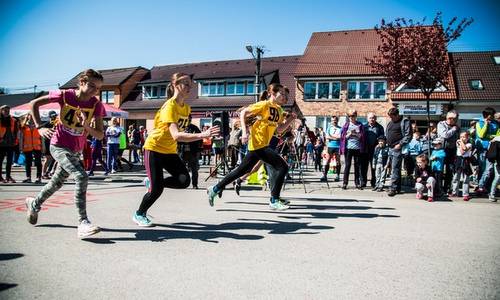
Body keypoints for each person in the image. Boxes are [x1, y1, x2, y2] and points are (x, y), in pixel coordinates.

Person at [26, 69, 106, 238]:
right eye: (92, 86)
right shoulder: (64, 95)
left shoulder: (96, 105)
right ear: (82, 82)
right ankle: (83, 222)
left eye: (98, 88)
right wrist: (40, 127)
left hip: (76, 151)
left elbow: (99, 135)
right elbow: (34, 104)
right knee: (81, 176)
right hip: (59, 146)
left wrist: (86, 126)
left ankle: (34, 204)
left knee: (56, 183)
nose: (94, 91)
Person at [133, 73, 219, 227]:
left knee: (184, 180)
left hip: (169, 151)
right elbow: (176, 135)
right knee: (156, 190)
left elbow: (179, 134)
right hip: (154, 148)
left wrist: (201, 136)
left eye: (190, 85)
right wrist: (202, 135)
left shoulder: (186, 108)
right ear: (175, 85)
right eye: (185, 84)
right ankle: (139, 214)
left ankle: (152, 182)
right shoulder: (169, 106)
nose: (189, 87)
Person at [207, 83, 297, 210]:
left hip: (261, 145)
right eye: (281, 94)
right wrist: (244, 132)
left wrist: (290, 120)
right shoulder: (264, 104)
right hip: (258, 143)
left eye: (284, 94)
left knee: (241, 170)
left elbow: (279, 130)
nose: (284, 97)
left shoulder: (279, 110)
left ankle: (215, 189)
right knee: (282, 167)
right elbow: (243, 113)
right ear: (272, 94)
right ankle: (274, 200)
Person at [385, 107, 412, 197]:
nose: (391, 119)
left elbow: (408, 136)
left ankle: (392, 188)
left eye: (392, 117)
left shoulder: (404, 121)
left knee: (395, 168)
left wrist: (400, 144)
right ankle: (397, 187)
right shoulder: (390, 123)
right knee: (395, 169)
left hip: (398, 148)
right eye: (390, 117)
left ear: (397, 115)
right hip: (390, 148)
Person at [339, 109, 365, 190]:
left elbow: (363, 137)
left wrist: (356, 134)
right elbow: (342, 137)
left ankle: (357, 183)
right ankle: (345, 183)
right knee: (347, 165)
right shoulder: (346, 125)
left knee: (357, 166)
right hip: (348, 148)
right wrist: (349, 134)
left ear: (356, 116)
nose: (351, 117)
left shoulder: (360, 125)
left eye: (353, 116)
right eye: (349, 116)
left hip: (357, 148)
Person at [475, 107, 498, 194]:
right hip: (482, 149)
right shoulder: (479, 123)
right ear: (488, 115)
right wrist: (486, 124)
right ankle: (481, 186)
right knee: (482, 168)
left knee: (489, 169)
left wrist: (489, 136)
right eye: (492, 115)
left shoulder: (496, 123)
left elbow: (498, 134)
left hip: (492, 148)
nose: (493, 117)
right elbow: (481, 135)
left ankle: (482, 185)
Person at [437, 110, 460, 194]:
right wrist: (454, 129)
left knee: (450, 170)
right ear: (447, 117)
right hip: (442, 149)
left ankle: (447, 188)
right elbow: (444, 135)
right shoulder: (441, 124)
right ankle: (439, 188)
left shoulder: (457, 126)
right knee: (440, 169)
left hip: (452, 150)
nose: (452, 120)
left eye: (454, 118)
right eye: (450, 118)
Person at [179, 114, 202, 189]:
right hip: (182, 152)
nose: (188, 120)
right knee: (181, 170)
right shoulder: (180, 128)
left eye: (190, 119)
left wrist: (198, 149)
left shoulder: (194, 128)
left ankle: (194, 184)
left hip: (192, 152)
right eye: (187, 119)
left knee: (194, 170)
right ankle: (182, 184)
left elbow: (200, 138)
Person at [362, 112, 385, 188]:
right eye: (370, 118)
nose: (372, 119)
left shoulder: (380, 127)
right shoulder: (363, 127)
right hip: (365, 150)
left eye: (373, 118)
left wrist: (380, 144)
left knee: (374, 167)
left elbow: (382, 137)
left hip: (375, 150)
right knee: (364, 167)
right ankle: (363, 182)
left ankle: (373, 182)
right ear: (367, 119)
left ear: (376, 118)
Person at [19, 114, 43, 183]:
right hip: (27, 147)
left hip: (37, 146)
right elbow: (21, 137)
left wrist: (43, 146)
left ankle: (39, 178)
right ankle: (28, 177)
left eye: (33, 115)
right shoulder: (23, 126)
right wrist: (21, 147)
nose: (32, 117)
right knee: (28, 163)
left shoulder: (38, 125)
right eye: (30, 115)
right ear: (28, 117)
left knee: (38, 163)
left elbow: (42, 137)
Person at [451, 131, 473, 201]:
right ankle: (455, 192)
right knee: (456, 177)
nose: (462, 138)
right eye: (461, 137)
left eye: (464, 137)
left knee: (465, 178)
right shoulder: (458, 142)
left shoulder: (469, 144)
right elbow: (461, 151)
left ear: (467, 137)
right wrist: (461, 142)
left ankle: (465, 194)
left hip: (465, 161)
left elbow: (463, 150)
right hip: (458, 160)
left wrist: (461, 142)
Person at [0, 104, 19, 183]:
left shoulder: (13, 120)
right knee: (0, 161)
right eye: (4, 110)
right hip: (1, 143)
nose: (6, 111)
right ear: (1, 111)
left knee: (9, 161)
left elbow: (15, 131)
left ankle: (8, 176)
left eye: (8, 110)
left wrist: (15, 140)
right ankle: (0, 177)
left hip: (10, 143)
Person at [321, 116, 341, 182]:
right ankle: (325, 175)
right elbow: (327, 137)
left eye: (335, 120)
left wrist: (332, 137)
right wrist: (335, 138)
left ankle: (338, 176)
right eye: (332, 120)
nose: (334, 121)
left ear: (337, 120)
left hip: (338, 146)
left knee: (338, 161)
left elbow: (340, 137)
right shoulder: (329, 128)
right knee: (328, 160)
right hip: (330, 146)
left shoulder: (340, 128)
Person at [41, 111, 58, 179]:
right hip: (47, 143)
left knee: (57, 159)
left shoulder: (57, 124)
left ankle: (51, 172)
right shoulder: (46, 124)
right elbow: (41, 130)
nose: (54, 117)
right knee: (48, 159)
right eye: (53, 116)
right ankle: (43, 173)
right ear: (50, 117)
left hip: (55, 143)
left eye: (55, 116)